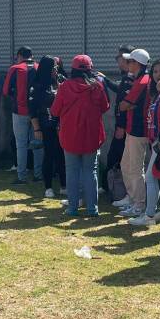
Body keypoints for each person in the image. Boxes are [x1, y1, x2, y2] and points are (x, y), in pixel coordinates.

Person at [51, 55, 110, 216]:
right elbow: (105, 107)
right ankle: (93, 208)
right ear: (90, 69)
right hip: (91, 135)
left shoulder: (65, 87)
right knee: (90, 171)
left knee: (72, 171)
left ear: (74, 69)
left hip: (70, 135)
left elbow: (55, 111)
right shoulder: (97, 86)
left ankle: (72, 208)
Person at [128, 59, 160, 226]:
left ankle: (149, 216)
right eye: (155, 71)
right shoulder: (157, 93)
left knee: (150, 176)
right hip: (156, 140)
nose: (158, 75)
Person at [115, 49, 151, 217]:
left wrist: (129, 104)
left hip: (139, 130)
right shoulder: (137, 79)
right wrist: (129, 105)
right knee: (126, 164)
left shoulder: (143, 80)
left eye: (130, 61)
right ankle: (132, 198)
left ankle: (139, 204)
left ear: (137, 64)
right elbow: (126, 105)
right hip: (132, 128)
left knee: (135, 168)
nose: (127, 64)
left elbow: (124, 105)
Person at [99, 45, 134, 199]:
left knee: (119, 158)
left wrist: (121, 126)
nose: (117, 60)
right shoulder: (127, 75)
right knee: (114, 157)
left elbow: (124, 100)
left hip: (127, 126)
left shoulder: (132, 76)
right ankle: (109, 187)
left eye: (118, 57)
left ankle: (123, 192)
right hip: (123, 124)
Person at [4, 46, 42, 184]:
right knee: (37, 144)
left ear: (20, 55)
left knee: (21, 145)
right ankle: (38, 175)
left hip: (20, 111)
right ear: (32, 55)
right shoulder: (39, 67)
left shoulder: (15, 68)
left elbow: (6, 90)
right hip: (37, 113)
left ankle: (22, 176)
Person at [29, 56, 66, 197]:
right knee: (49, 155)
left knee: (61, 155)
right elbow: (32, 110)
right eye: (54, 67)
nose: (56, 69)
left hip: (61, 125)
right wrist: (36, 128)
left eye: (57, 67)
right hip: (46, 124)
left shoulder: (60, 80)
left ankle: (63, 185)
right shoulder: (37, 85)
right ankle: (48, 187)